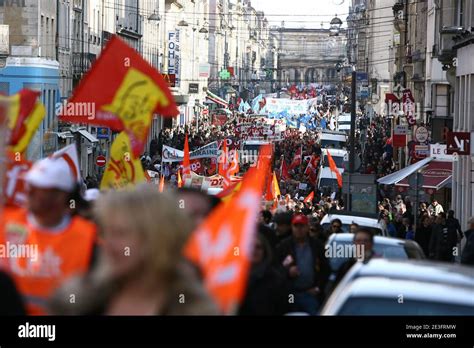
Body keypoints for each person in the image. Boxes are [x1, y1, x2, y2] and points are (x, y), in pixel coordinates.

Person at [49, 187, 218, 315]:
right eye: (106, 233)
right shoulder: (78, 301)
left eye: (121, 234)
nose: (108, 245)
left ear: (159, 238)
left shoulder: (195, 308)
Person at [0, 157, 98, 315]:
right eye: (30, 184)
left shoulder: (88, 238)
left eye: (40, 188)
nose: (30, 191)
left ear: (60, 195)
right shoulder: (5, 224)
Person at [275, 214, 330, 315]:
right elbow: (275, 268)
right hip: (291, 294)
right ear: (292, 227)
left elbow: (326, 269)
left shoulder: (317, 246)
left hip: (310, 293)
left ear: (307, 227)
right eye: (296, 226)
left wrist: (319, 288)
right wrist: (287, 271)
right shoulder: (284, 246)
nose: (299, 229)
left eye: (302, 226)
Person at [238, 234, 289, 315]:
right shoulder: (235, 277)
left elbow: (287, 301)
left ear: (264, 251)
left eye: (258, 247)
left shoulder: (275, 278)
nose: (254, 250)